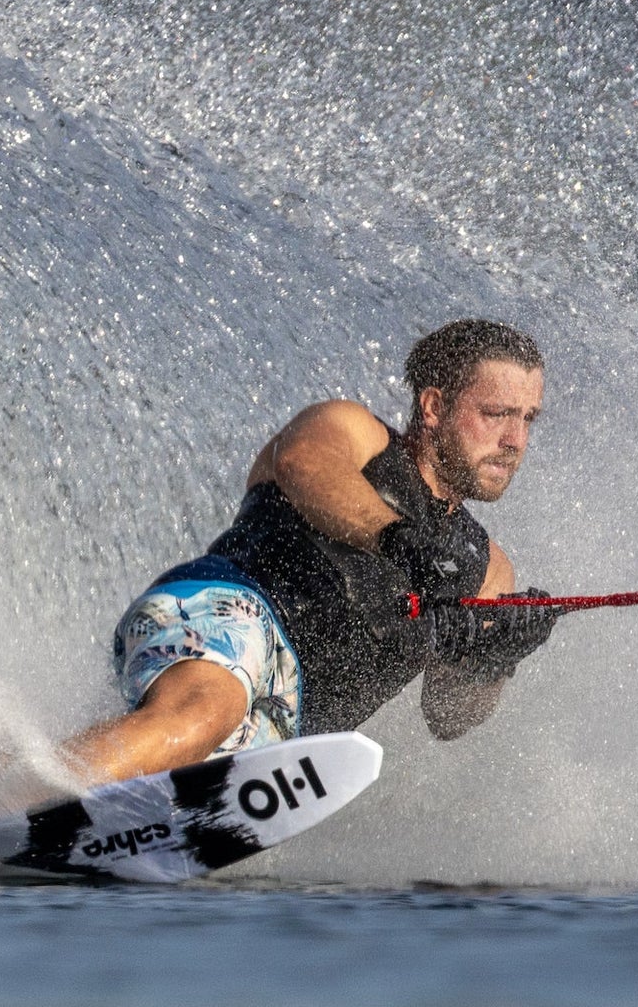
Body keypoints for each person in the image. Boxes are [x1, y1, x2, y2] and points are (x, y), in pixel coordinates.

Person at [66, 318, 563, 782]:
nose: (515, 440)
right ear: (434, 407)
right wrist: (396, 540)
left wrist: (494, 660)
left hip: (288, 727)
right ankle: (8, 800)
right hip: (232, 610)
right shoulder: (354, 432)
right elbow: (305, 463)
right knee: (201, 714)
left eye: (529, 419)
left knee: (187, 752)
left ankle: (17, 778)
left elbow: (448, 714)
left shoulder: (488, 569)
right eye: (496, 414)